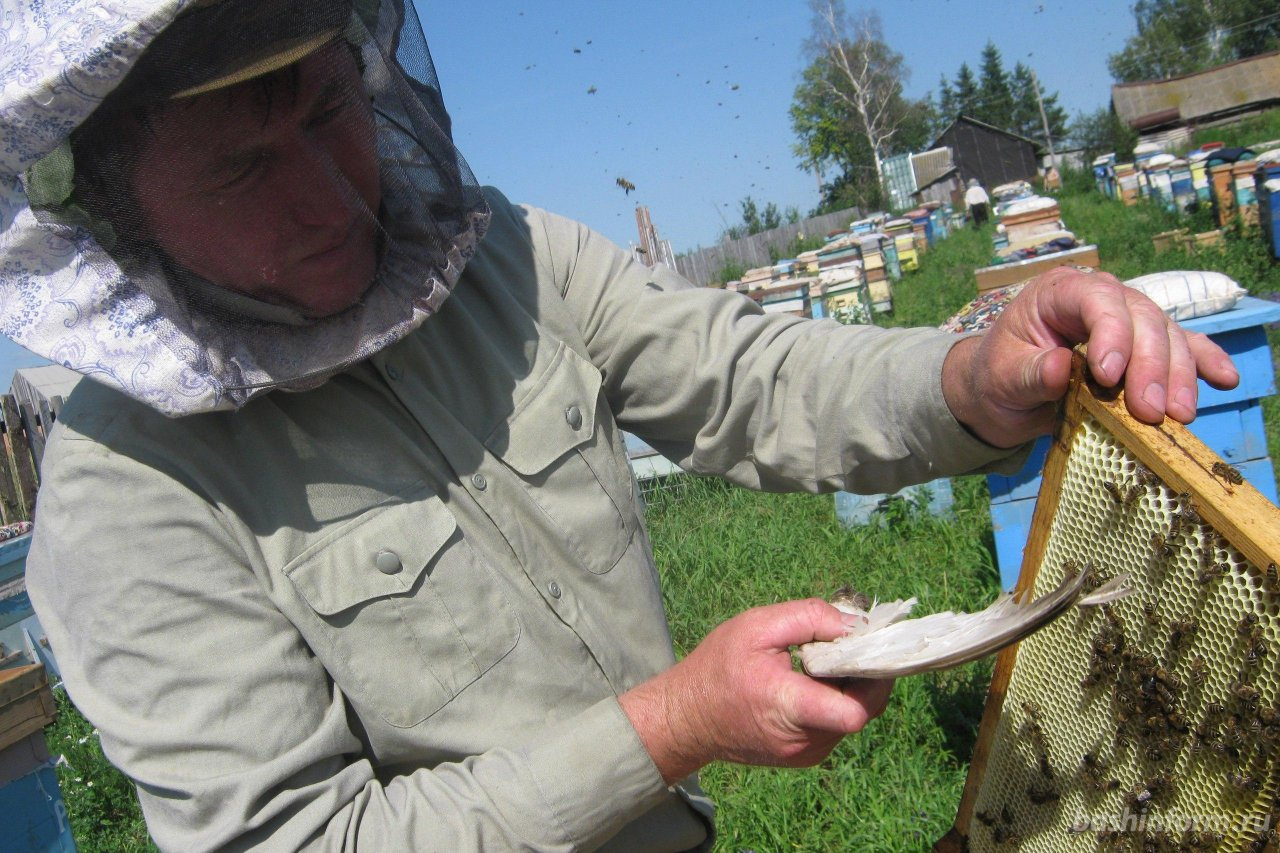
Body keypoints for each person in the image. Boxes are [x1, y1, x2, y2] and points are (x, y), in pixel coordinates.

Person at [2, 2, 1238, 850]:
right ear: (111, 204)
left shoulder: (502, 262)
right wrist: (673, 724)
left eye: (328, 112)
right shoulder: (128, 501)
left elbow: (746, 373)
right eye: (241, 167)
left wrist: (967, 378)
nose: (332, 197)